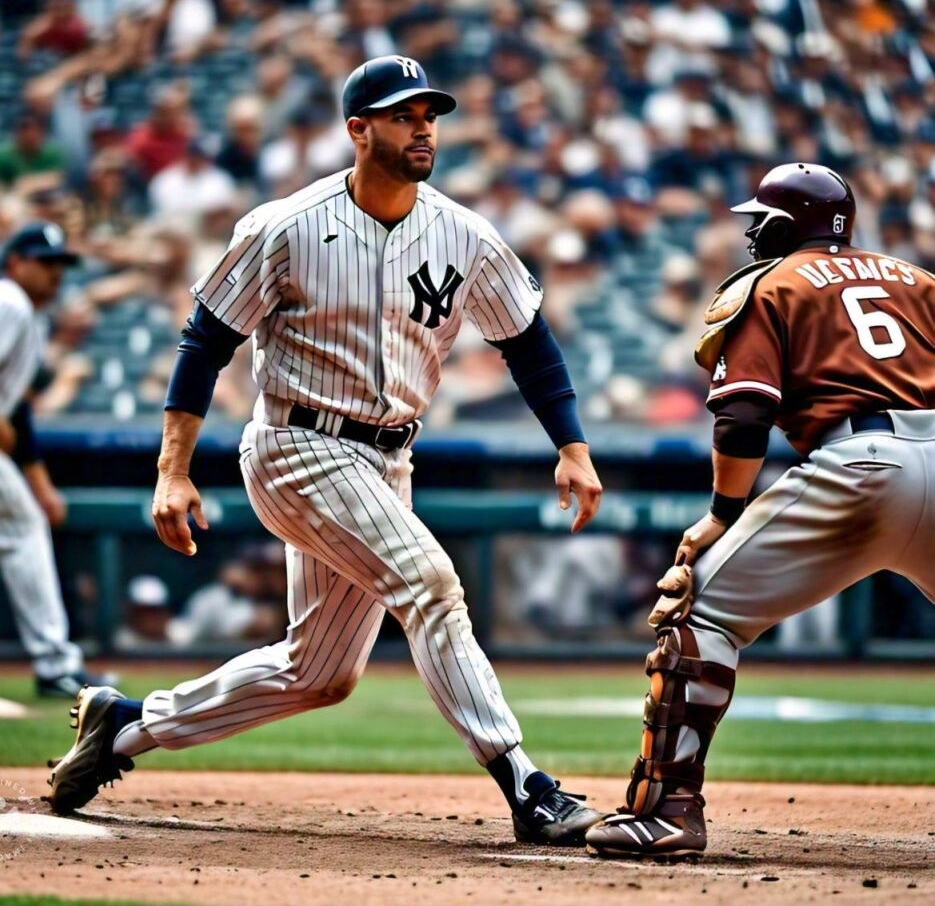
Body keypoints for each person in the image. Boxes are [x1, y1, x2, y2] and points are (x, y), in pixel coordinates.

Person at [46, 55, 607, 845]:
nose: (422, 126)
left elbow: (528, 341)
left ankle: (127, 727)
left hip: (386, 461)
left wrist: (572, 447)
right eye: (403, 113)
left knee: (320, 672)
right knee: (430, 582)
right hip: (295, 445)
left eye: (429, 114)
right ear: (358, 129)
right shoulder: (283, 226)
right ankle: (526, 784)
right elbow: (205, 342)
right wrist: (171, 470)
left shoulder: (463, 233)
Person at [586, 163, 935, 859]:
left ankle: (666, 810)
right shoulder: (918, 280)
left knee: (699, 613)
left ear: (785, 224)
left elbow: (744, 416)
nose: (751, 233)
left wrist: (721, 514)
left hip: (860, 464)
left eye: (760, 221)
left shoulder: (768, 283)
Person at [0, 223, 90, 697]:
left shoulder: (27, 316)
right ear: (16, 262)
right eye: (44, 262)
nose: (55, 273)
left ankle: (55, 663)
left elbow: (17, 412)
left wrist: (40, 484)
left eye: (61, 265)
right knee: (22, 527)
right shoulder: (10, 301)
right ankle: (55, 665)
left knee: (24, 521)